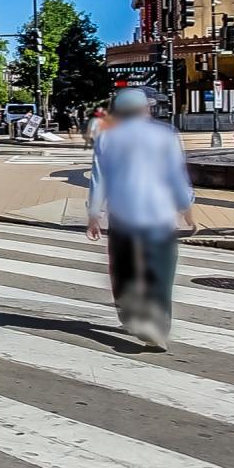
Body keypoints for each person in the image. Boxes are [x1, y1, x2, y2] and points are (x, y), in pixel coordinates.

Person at [86, 87, 194, 349]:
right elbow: (176, 174)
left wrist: (94, 215)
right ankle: (156, 326)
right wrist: (187, 207)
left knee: (123, 269)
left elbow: (100, 178)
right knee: (160, 271)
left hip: (123, 215)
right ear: (146, 109)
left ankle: (129, 314)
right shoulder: (166, 134)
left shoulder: (107, 136)